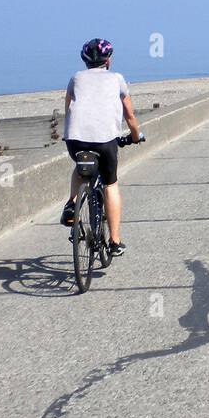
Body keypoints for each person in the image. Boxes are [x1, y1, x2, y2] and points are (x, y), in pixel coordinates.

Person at [59, 38, 142, 256]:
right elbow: (130, 115)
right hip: (105, 140)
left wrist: (70, 134)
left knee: (80, 167)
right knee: (110, 184)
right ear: (108, 60)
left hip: (76, 139)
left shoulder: (75, 78)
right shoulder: (116, 79)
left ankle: (71, 203)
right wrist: (135, 136)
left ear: (84, 60)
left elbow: (68, 109)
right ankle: (114, 241)